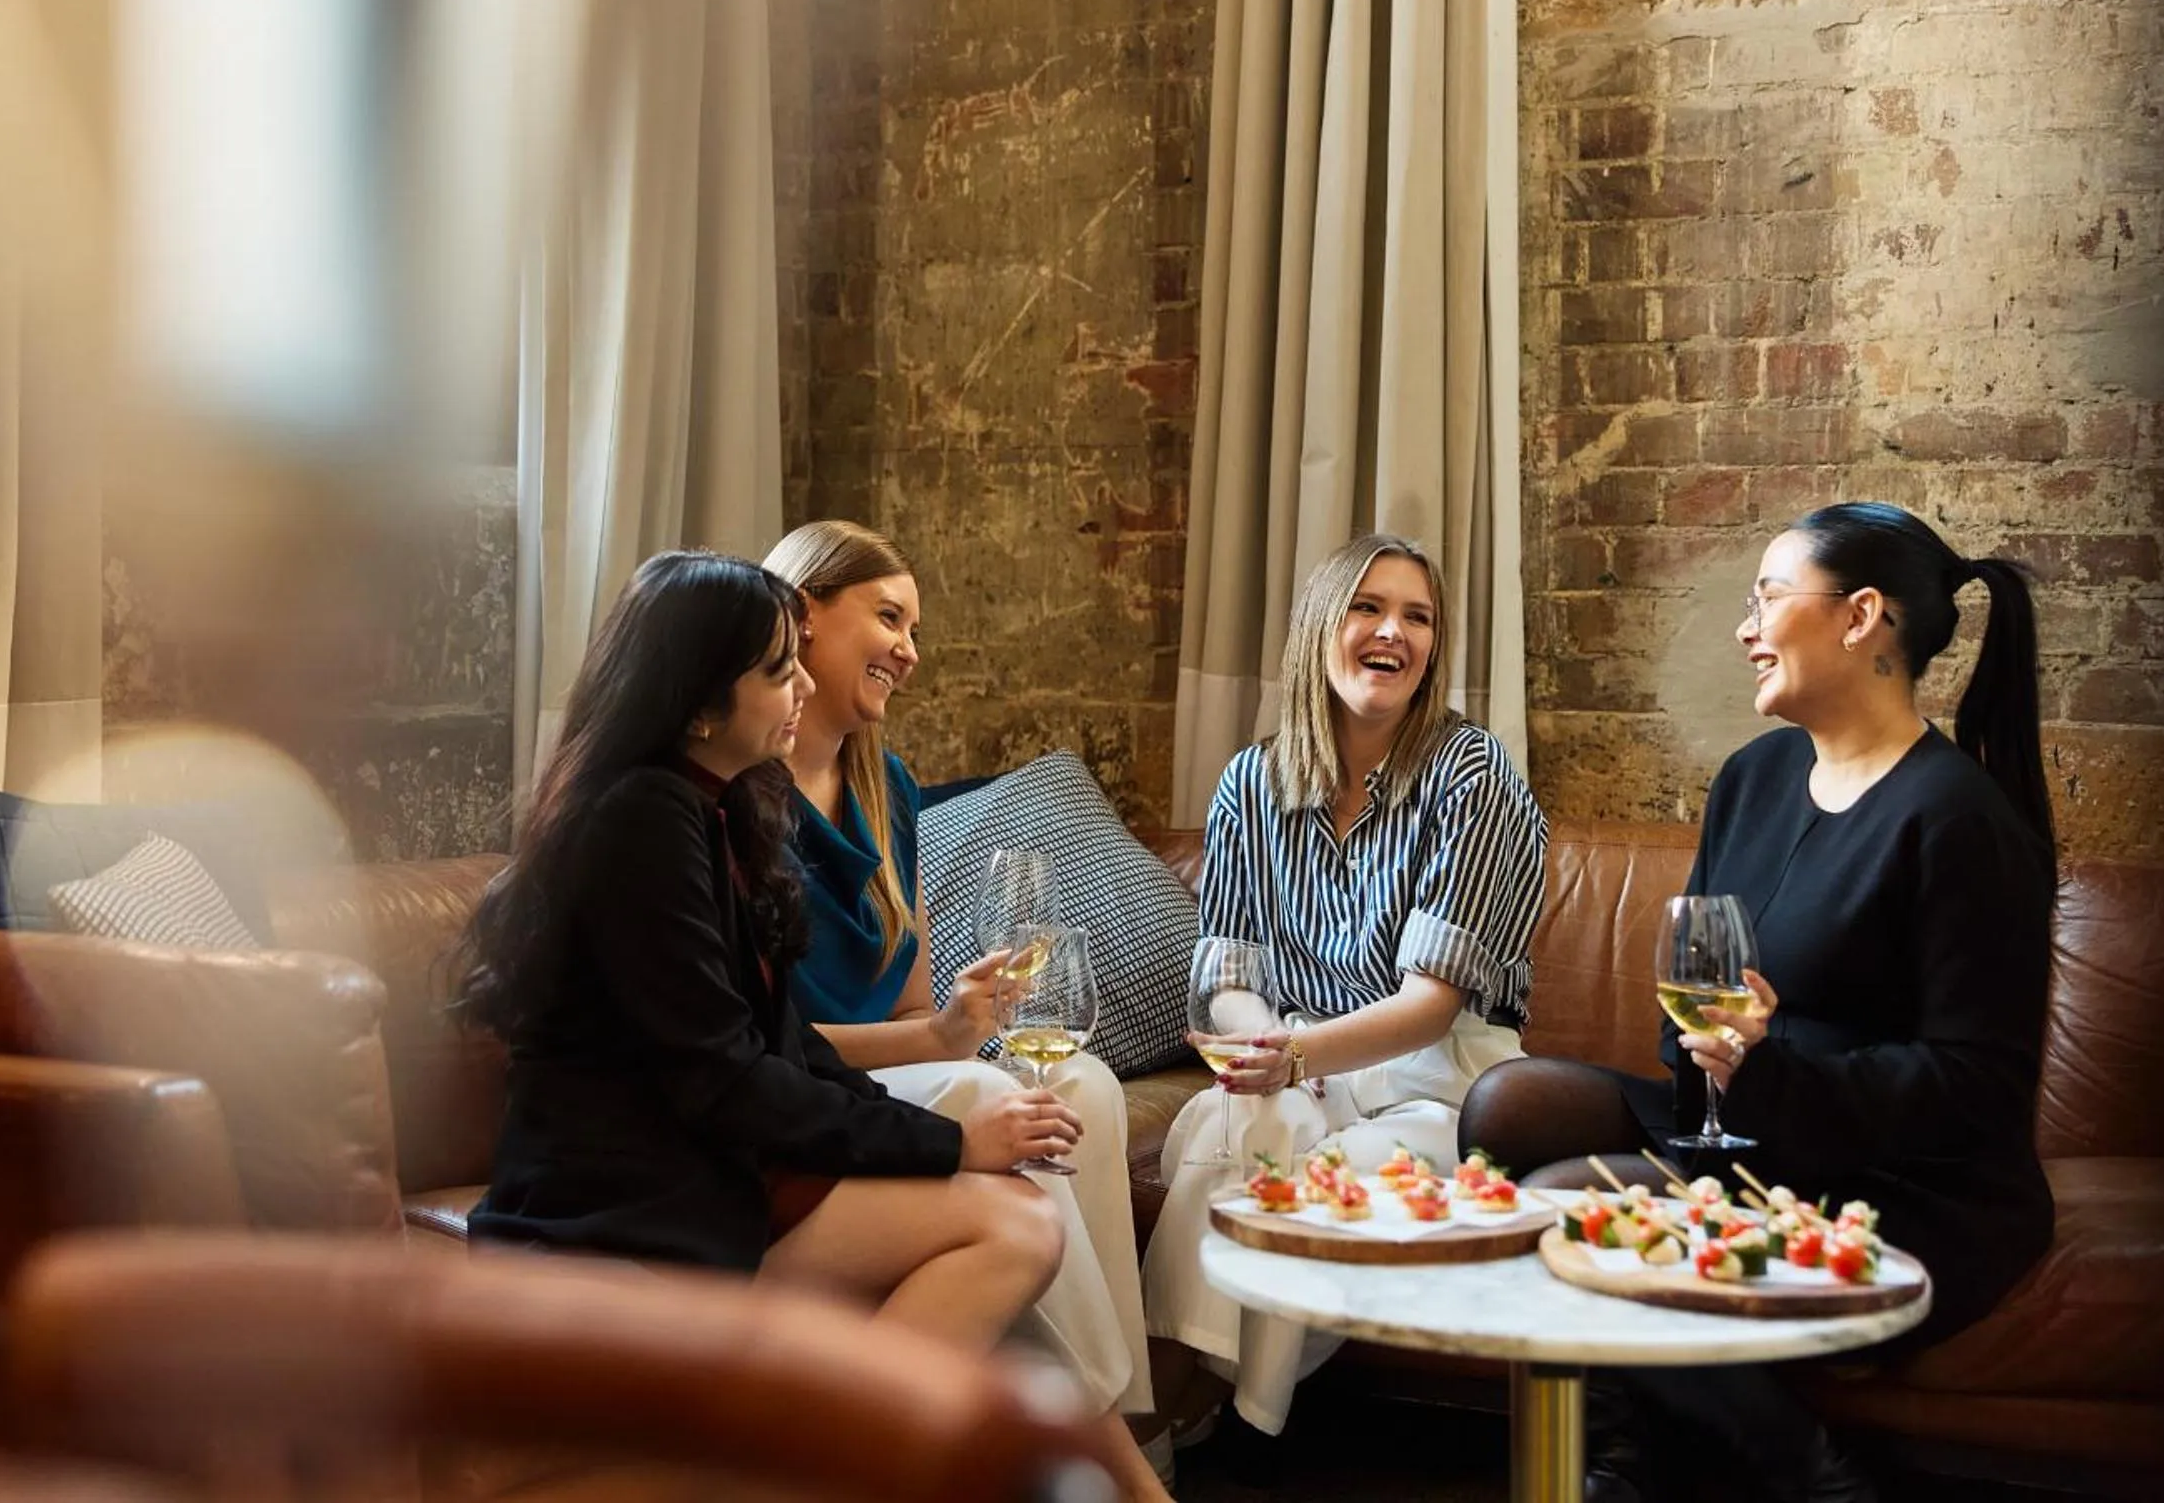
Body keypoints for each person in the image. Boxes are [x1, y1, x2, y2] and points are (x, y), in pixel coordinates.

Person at [1457, 502, 2058, 1503]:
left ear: (1860, 617)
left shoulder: (1960, 819)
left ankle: (1781, 1472)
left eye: (1769, 597)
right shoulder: (1753, 777)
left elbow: (1979, 1088)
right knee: (1505, 1107)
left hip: (1903, 1179)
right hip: (1748, 1128)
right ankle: (1646, 1459)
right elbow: (1688, 1001)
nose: (1746, 629)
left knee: (1578, 1212)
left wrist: (1768, 1070)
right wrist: (1721, 1049)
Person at [455, 550, 1078, 1361]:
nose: (806, 686)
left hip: (709, 1175)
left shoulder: (713, 807)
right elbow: (725, 1077)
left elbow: (788, 1045)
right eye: (781, 670)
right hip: (621, 1211)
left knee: (1015, 1236)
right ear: (699, 700)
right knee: (1017, 1227)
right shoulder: (639, 818)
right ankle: (824, 1432)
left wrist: (943, 1135)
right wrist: (953, 1142)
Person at [764, 520, 1171, 1502]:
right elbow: (766, 1041)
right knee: (1000, 1095)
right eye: (889, 617)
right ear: (805, 613)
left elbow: (912, 1007)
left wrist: (957, 1018)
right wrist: (947, 1042)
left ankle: (1124, 1430)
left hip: (895, 1069)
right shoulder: (744, 791)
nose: (909, 649)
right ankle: (1098, 1451)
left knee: (1083, 1086)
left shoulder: (885, 784)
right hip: (808, 1087)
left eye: (915, 628)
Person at [1140, 531, 1548, 1437]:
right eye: (1368, 606)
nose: (1393, 631)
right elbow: (1229, 967)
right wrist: (1270, 1054)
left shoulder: (1471, 773)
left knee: (1309, 1172)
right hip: (1298, 1056)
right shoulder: (1252, 781)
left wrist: (1295, 1054)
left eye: (1417, 617)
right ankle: (1189, 1426)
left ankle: (1186, 1419)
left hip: (1438, 1082)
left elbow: (1431, 1004)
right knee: (1234, 1122)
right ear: (1320, 626)